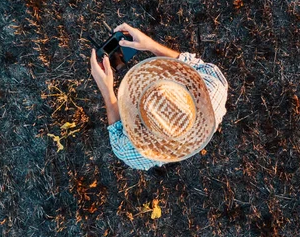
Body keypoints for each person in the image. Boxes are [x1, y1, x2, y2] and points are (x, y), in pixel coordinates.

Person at [89, 22, 228, 170]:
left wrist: (107, 91)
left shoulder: (134, 151)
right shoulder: (214, 88)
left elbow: (117, 139)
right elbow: (197, 67)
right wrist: (151, 45)